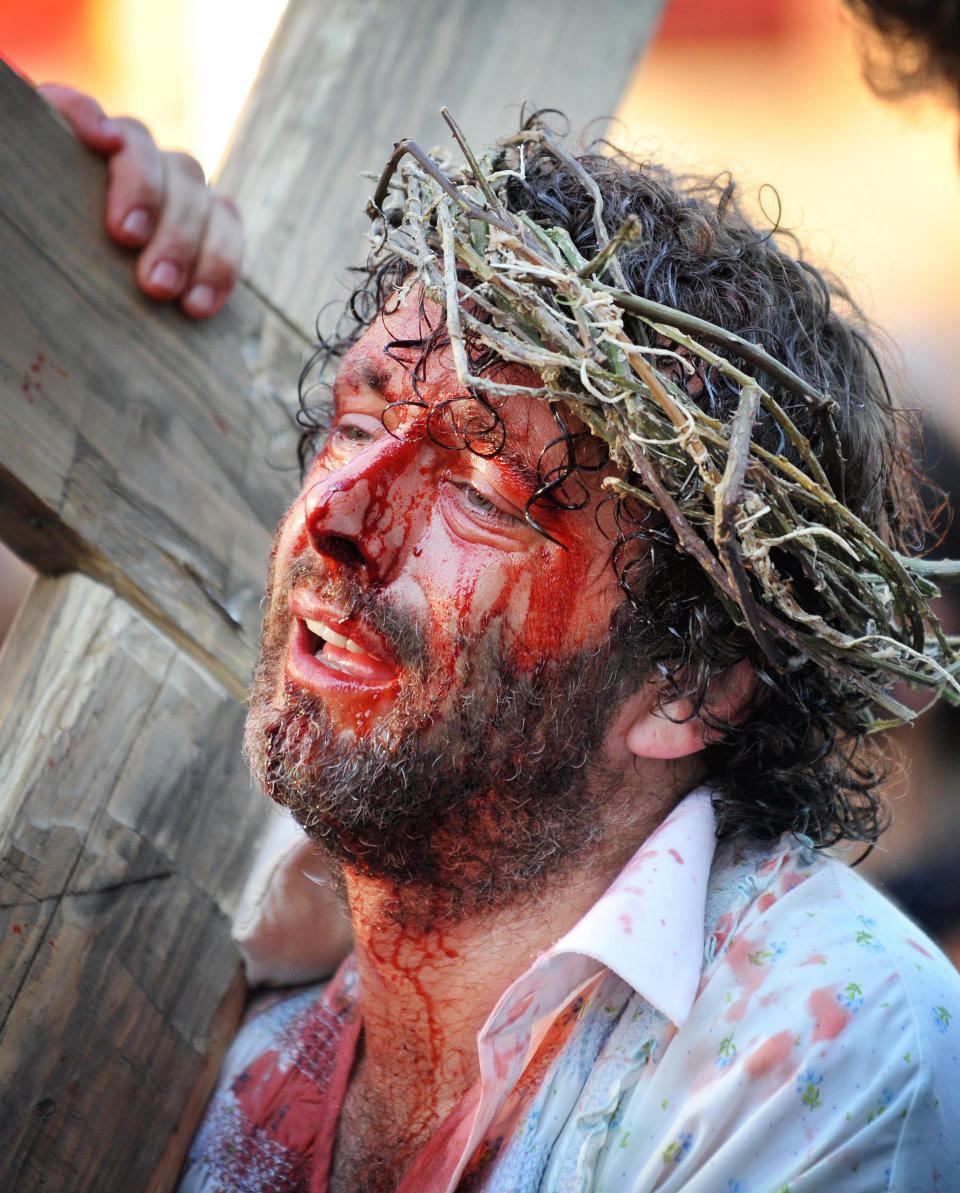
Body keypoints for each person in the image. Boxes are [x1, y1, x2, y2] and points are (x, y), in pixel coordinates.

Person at [44, 89, 960, 1192]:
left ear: (691, 679)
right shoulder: (238, 943)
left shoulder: (824, 1047)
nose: (339, 517)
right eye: (358, 424)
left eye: (484, 492)